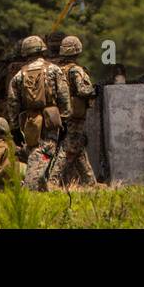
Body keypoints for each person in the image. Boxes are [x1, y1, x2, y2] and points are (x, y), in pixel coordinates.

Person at [6, 34, 70, 190]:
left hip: (31, 120)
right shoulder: (54, 70)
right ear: (42, 49)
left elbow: (13, 103)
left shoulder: (18, 75)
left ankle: (40, 183)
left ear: (25, 53)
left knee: (36, 149)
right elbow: (63, 95)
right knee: (46, 150)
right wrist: (65, 119)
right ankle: (31, 184)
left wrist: (14, 128)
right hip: (52, 117)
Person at [49, 35, 97, 188]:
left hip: (61, 114)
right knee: (68, 149)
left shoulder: (57, 69)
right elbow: (83, 90)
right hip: (75, 115)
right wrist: (95, 90)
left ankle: (90, 182)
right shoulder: (75, 70)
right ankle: (52, 181)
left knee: (78, 147)